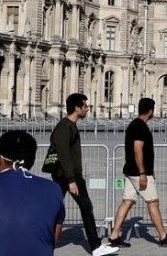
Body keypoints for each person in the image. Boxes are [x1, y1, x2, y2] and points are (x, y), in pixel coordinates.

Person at [46, 93, 119, 256]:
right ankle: (95, 246)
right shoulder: (64, 127)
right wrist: (71, 180)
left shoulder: (69, 125)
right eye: (85, 106)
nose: (87, 109)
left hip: (68, 175)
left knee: (56, 207)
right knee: (84, 207)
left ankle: (38, 238)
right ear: (77, 108)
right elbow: (64, 155)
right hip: (68, 176)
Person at [106, 98, 167, 248]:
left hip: (131, 170)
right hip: (138, 172)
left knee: (127, 202)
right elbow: (138, 150)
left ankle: (114, 236)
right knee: (153, 202)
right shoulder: (140, 126)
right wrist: (143, 173)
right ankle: (163, 237)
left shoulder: (135, 124)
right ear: (150, 111)